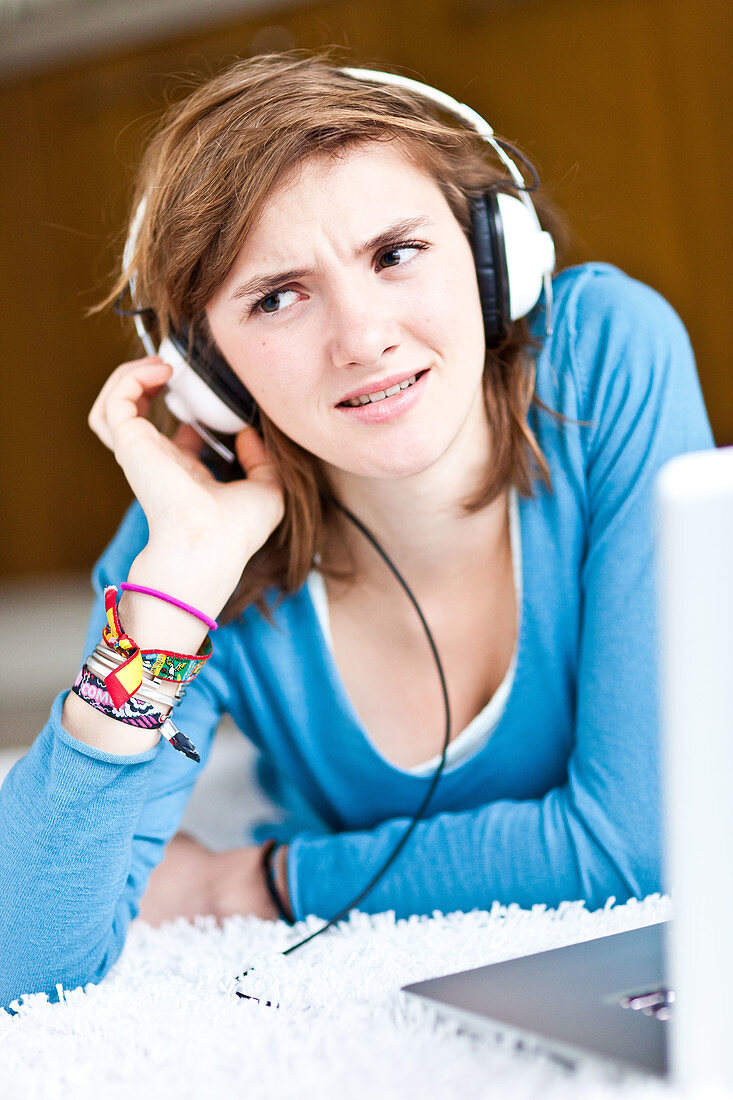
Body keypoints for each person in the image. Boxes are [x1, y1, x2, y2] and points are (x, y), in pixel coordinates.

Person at [0, 52, 714, 1010]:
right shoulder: (189, 543)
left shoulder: (603, 355)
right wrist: (166, 609)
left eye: (394, 253)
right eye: (277, 296)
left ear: (495, 257)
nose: (362, 337)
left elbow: (648, 838)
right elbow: (21, 961)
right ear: (208, 374)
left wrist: (254, 882)